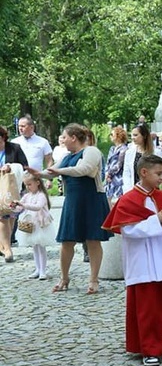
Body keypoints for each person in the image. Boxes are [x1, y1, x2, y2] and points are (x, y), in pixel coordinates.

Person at [102, 154, 162, 366]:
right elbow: (128, 230)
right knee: (145, 308)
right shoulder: (127, 200)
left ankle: (160, 343)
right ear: (144, 172)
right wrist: (156, 221)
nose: (161, 179)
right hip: (142, 260)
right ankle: (148, 349)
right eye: (158, 174)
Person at [29, 123, 111, 294]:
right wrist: (38, 173)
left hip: (91, 200)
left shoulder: (91, 151)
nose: (63, 141)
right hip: (73, 201)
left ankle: (93, 280)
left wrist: (58, 171)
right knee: (67, 241)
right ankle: (64, 278)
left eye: (64, 137)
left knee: (93, 239)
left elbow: (84, 169)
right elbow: (53, 171)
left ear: (74, 138)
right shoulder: (67, 156)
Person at [12, 173, 56, 279]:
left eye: (29, 184)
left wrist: (23, 205)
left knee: (41, 247)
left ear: (37, 183)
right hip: (31, 224)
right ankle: (37, 269)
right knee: (35, 247)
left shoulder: (41, 195)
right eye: (26, 185)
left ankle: (43, 270)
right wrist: (14, 206)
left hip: (40, 224)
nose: (27, 187)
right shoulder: (27, 196)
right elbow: (20, 208)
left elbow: (37, 207)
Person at [0, 126, 28, 262]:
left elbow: (24, 166)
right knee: (3, 217)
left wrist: (11, 166)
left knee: (11, 217)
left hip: (12, 189)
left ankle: (4, 245)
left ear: (3, 137)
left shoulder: (14, 148)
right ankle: (8, 250)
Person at [123, 124, 154, 193]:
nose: (133, 137)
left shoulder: (155, 153)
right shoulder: (129, 153)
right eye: (132, 135)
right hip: (134, 191)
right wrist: (128, 190)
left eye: (135, 135)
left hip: (151, 191)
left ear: (144, 136)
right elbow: (126, 173)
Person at [104, 126, 129, 201]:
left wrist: (109, 173)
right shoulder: (112, 148)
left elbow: (119, 165)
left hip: (118, 178)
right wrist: (106, 173)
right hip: (109, 179)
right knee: (108, 201)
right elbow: (108, 162)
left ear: (118, 136)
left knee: (117, 201)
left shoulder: (124, 149)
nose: (110, 136)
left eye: (112, 134)